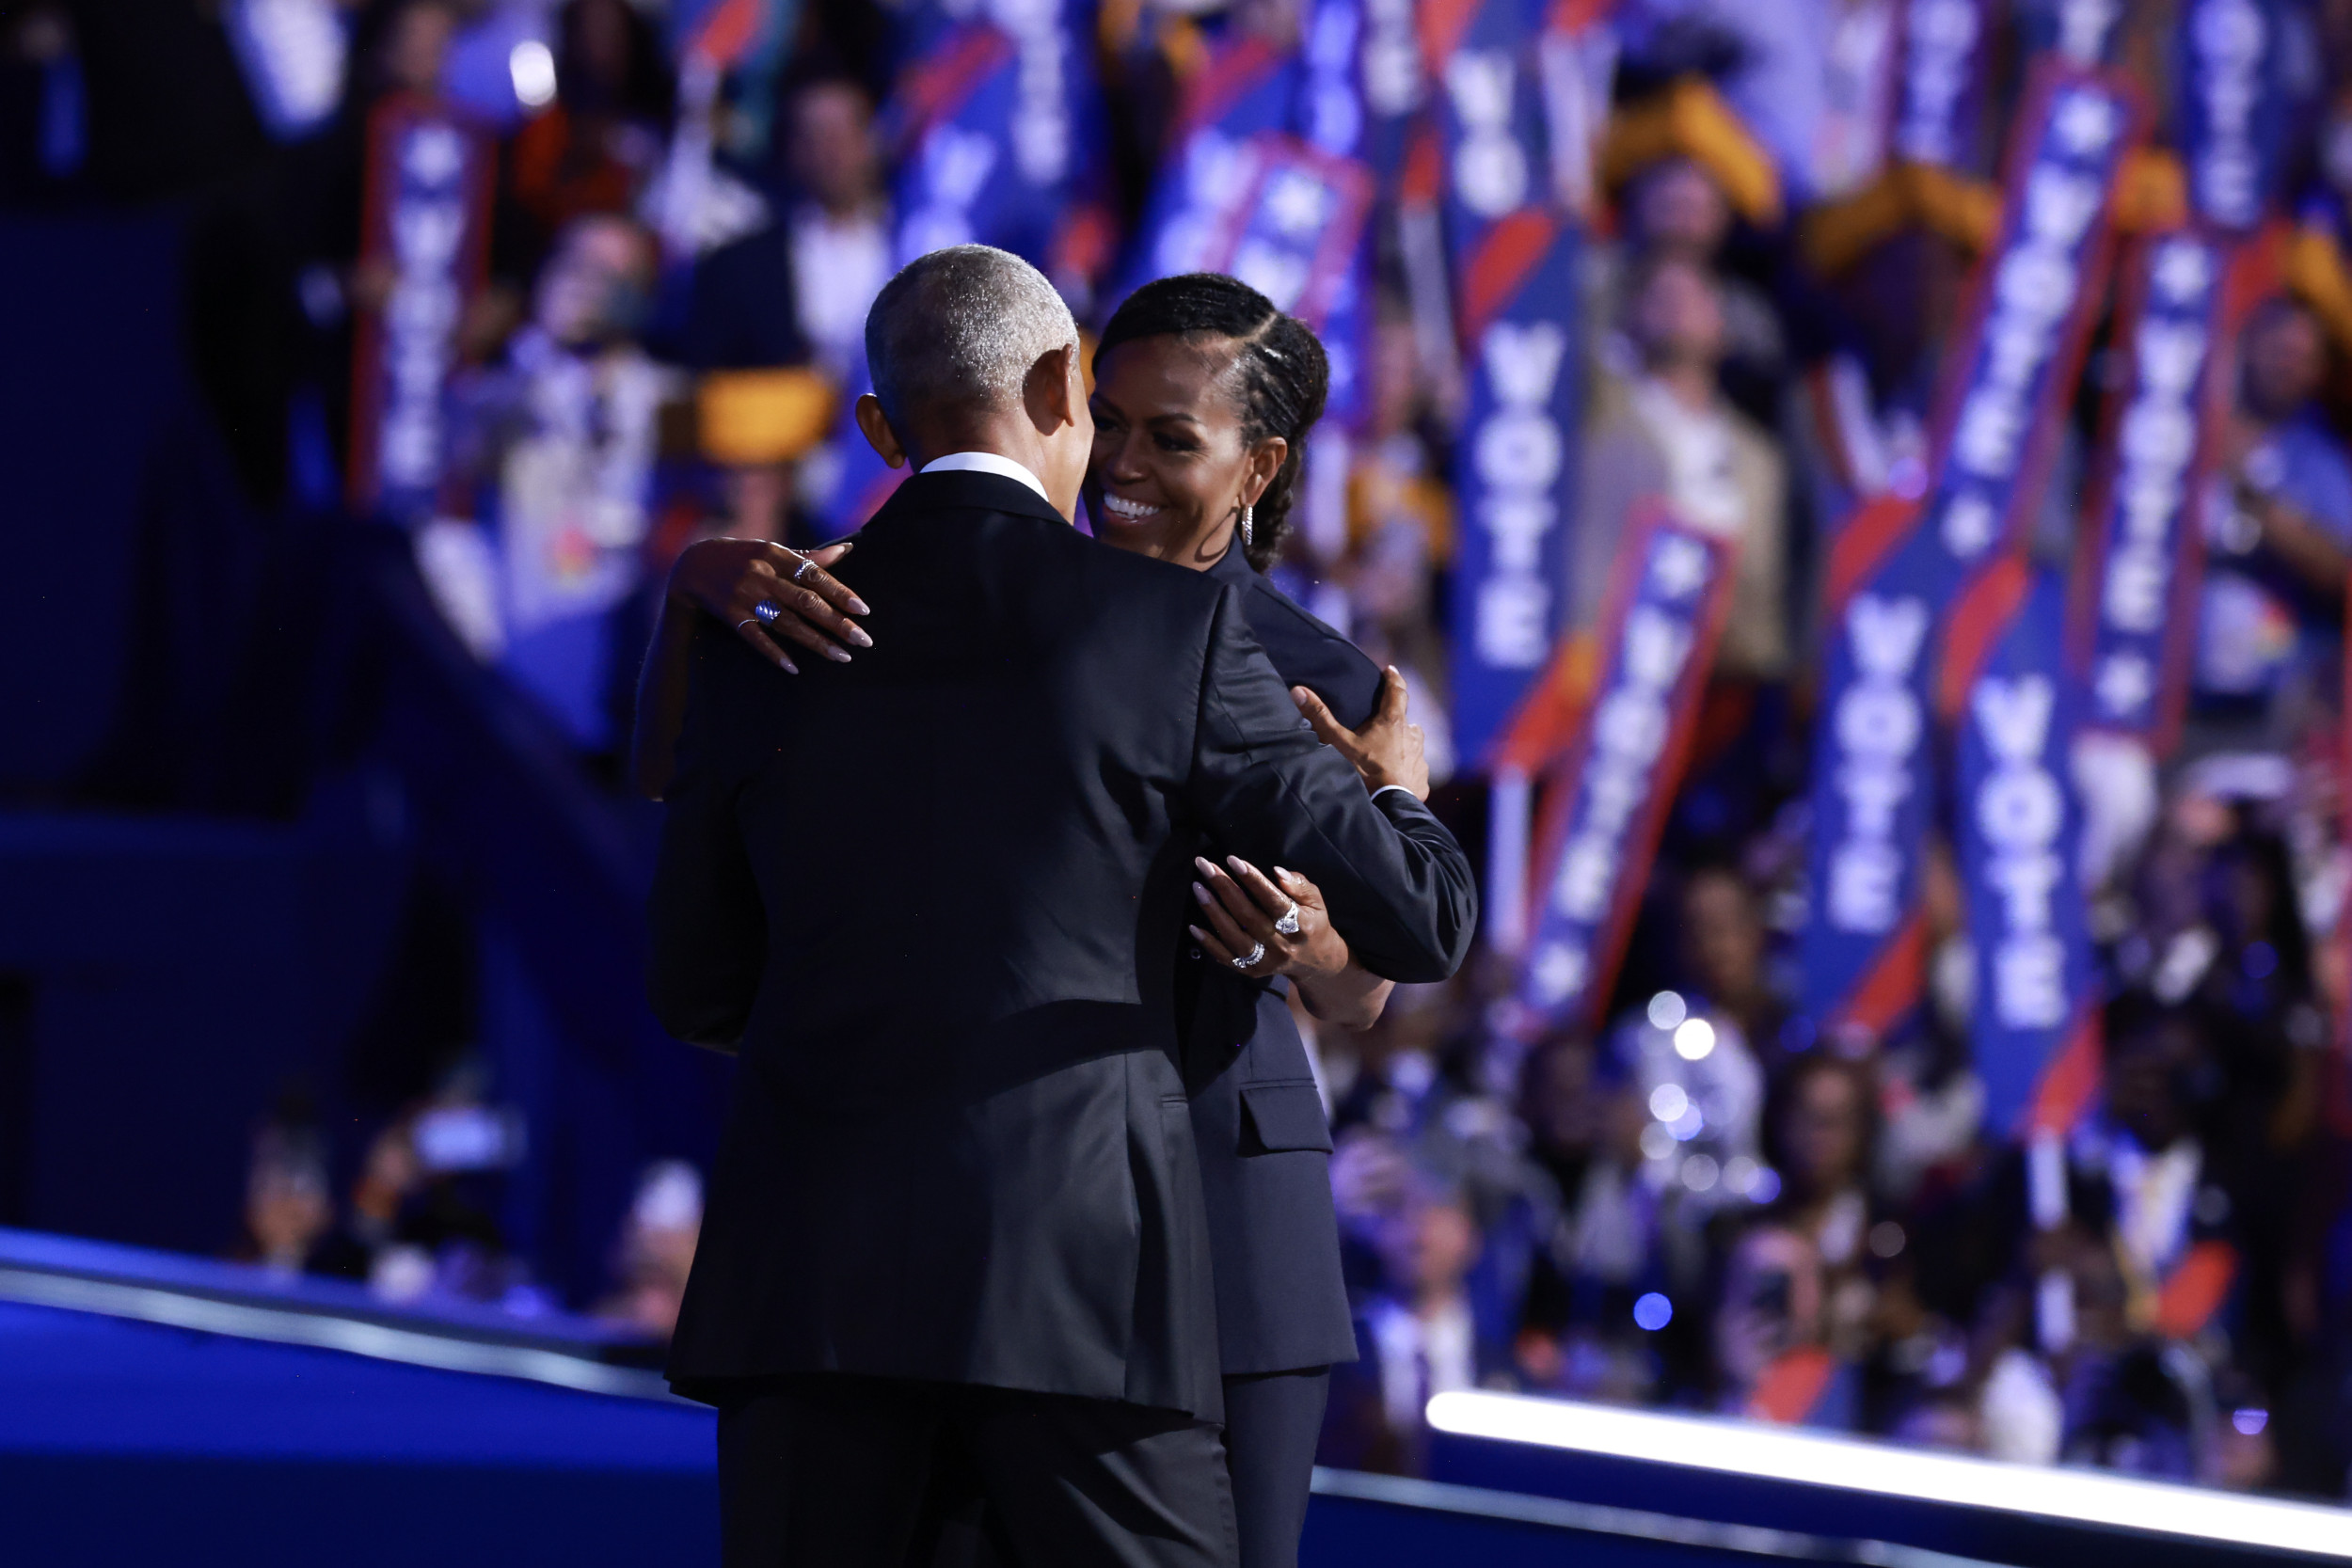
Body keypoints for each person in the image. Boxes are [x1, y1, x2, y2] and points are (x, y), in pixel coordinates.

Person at [644, 245, 1476, 1566]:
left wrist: (1305, 938)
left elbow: (1382, 967)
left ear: (1257, 468)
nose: (1128, 465)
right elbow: (1428, 901)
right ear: (1060, 396)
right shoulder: (791, 606)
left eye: (1172, 437)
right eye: (1115, 418)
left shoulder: (1312, 673)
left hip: (1179, 1210)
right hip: (1078, 1244)